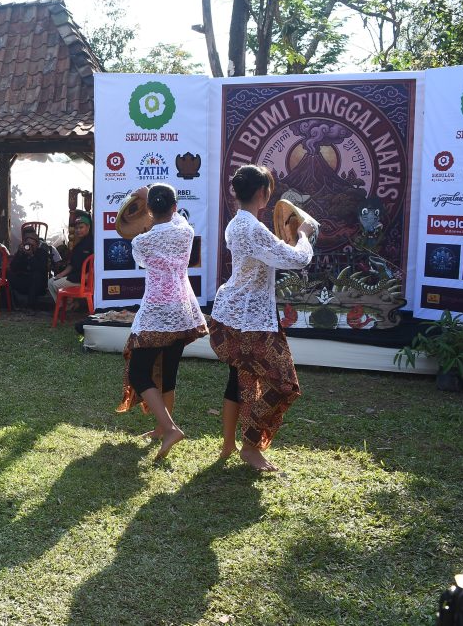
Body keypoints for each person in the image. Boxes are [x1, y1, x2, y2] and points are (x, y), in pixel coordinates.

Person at [210, 164, 315, 472]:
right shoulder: (252, 228)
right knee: (284, 384)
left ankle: (229, 445)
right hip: (250, 321)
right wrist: (304, 234)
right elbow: (299, 259)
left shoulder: (237, 224)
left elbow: (270, 252)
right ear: (262, 193)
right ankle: (250, 446)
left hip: (232, 315)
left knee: (238, 378)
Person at [115, 184, 207, 461]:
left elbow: (143, 261)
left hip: (156, 313)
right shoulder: (186, 231)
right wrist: (153, 200)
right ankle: (160, 428)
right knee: (168, 372)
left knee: (138, 374)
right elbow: (175, 219)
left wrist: (146, 203)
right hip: (183, 310)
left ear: (149, 210)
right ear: (175, 207)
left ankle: (169, 428)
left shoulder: (141, 242)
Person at [49, 212, 94, 303]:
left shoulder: (92, 243)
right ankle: (65, 305)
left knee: (55, 285)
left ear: (88, 227)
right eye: (76, 228)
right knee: (50, 282)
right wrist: (60, 275)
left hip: (82, 279)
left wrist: (88, 275)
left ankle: (68, 304)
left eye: (81, 227)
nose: (78, 230)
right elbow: (71, 265)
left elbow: (97, 263)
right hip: (74, 276)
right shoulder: (78, 245)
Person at [8, 226, 54, 308]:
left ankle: (31, 305)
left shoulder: (42, 252)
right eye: (28, 244)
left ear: (36, 244)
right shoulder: (23, 251)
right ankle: (11, 303)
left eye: (32, 244)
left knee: (36, 275)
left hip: (38, 285)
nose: (30, 246)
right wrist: (19, 254)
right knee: (8, 274)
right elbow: (13, 267)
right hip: (25, 281)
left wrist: (31, 256)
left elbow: (41, 269)